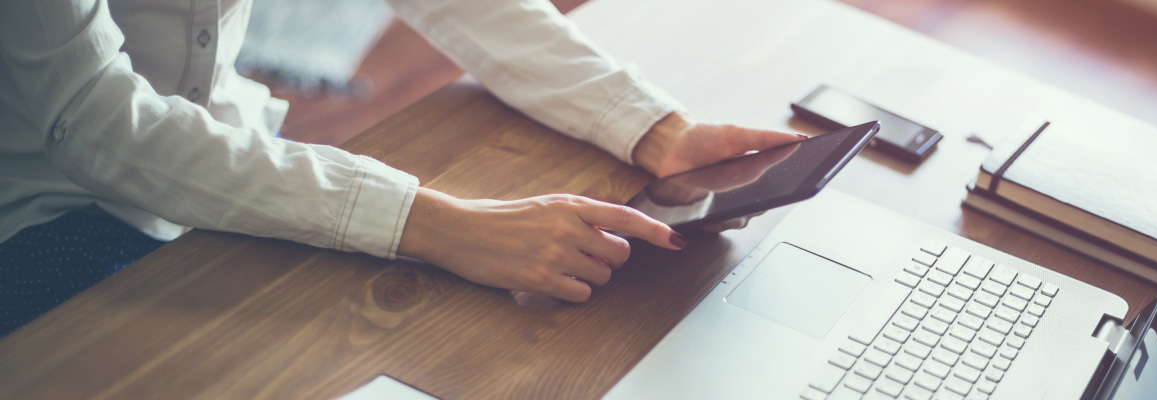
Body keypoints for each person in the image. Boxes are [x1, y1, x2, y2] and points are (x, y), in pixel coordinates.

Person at [0, 0, 803, 336]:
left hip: (245, 163)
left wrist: (654, 130)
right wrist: (438, 223)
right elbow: (97, 124)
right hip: (54, 217)